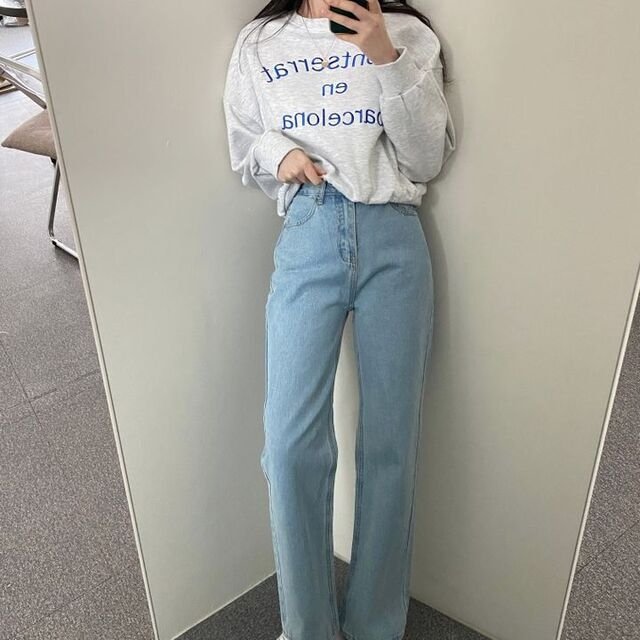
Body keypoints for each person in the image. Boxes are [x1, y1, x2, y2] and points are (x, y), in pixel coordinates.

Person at [222, 1, 456, 638]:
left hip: (394, 236)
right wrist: (277, 152)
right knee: (289, 446)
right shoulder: (261, 41)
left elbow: (426, 158)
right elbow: (244, 137)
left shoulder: (406, 34)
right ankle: (308, 630)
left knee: (390, 446)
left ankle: (376, 626)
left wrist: (383, 53)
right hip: (309, 229)